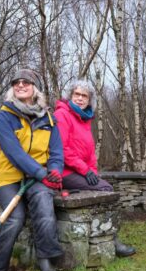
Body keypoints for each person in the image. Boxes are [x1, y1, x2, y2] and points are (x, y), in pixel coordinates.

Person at [0, 69, 64, 271]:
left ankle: (47, 261)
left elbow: (56, 152)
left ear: (34, 88)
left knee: (44, 205)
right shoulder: (4, 116)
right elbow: (14, 154)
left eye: (26, 82)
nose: (20, 85)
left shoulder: (49, 118)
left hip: (39, 176)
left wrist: (55, 171)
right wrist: (42, 174)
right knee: (14, 218)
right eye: (16, 82)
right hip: (9, 177)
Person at [53, 80, 136, 257]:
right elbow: (62, 149)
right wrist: (85, 171)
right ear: (70, 96)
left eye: (85, 96)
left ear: (90, 101)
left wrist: (92, 172)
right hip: (65, 172)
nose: (80, 99)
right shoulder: (62, 115)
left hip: (79, 171)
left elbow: (90, 153)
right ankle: (113, 240)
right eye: (77, 94)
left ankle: (108, 235)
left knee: (102, 186)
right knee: (106, 189)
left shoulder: (85, 119)